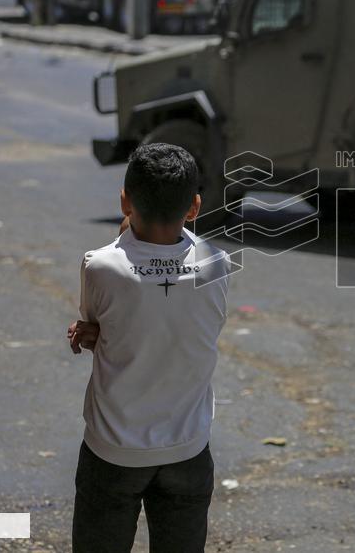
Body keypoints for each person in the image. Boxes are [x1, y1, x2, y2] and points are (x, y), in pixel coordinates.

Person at [68, 143, 231, 552]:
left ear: (125, 200)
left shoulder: (100, 266)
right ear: (194, 206)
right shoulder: (217, 264)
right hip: (188, 449)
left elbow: (94, 328)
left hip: (114, 450)